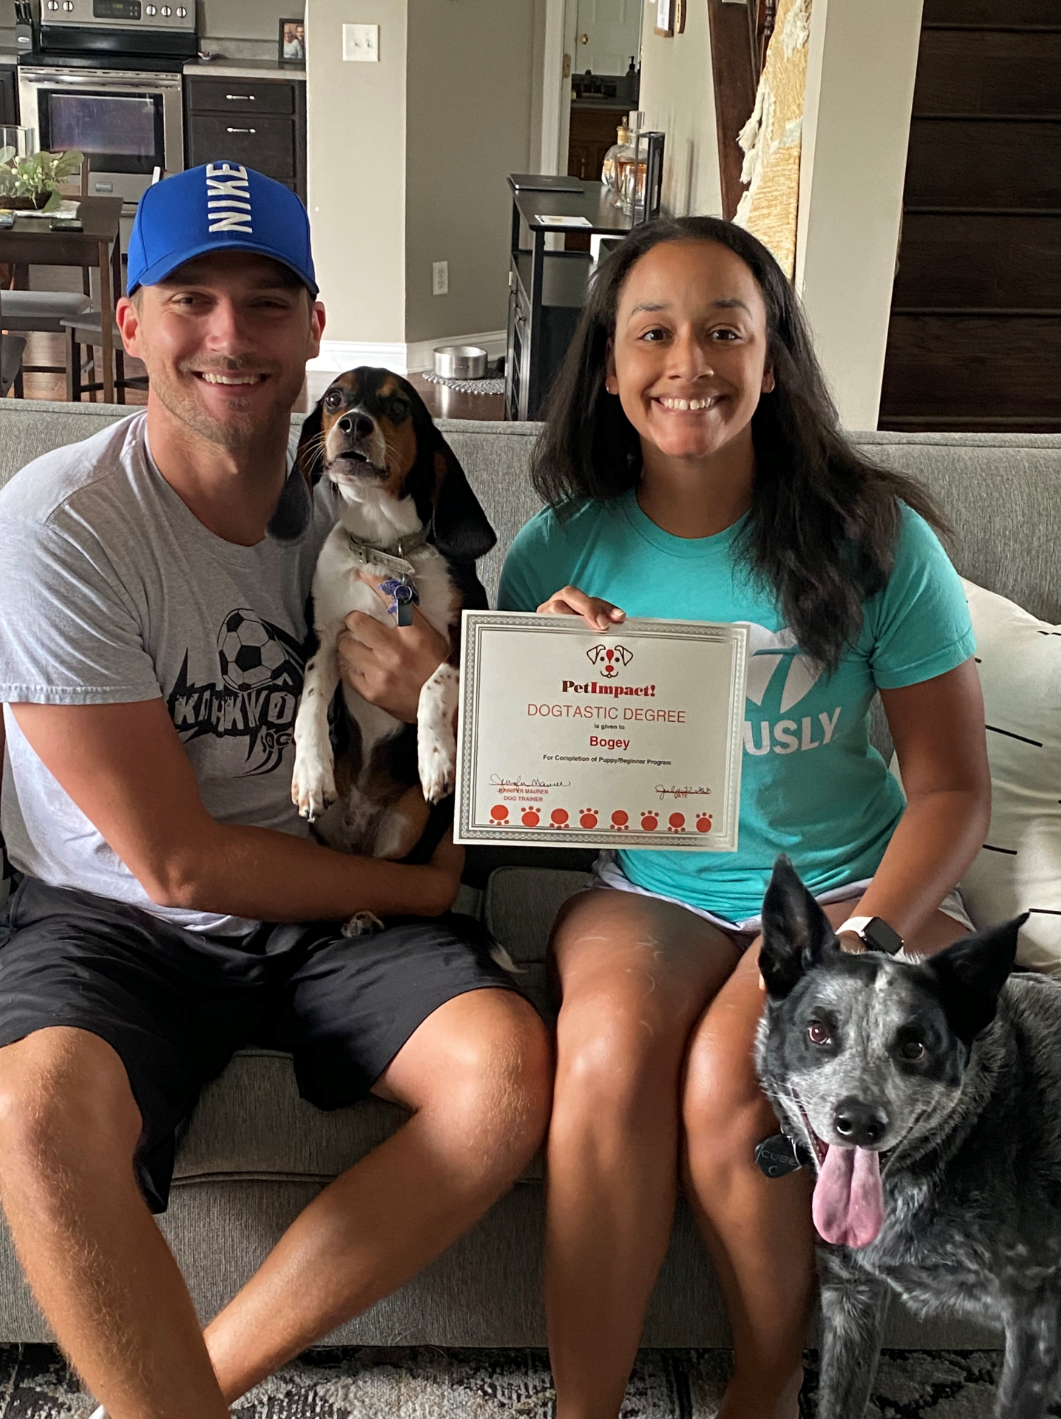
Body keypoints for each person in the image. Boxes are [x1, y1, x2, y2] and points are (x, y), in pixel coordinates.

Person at [0, 164, 551, 1419]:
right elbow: (179, 868)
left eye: (266, 302)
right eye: (190, 298)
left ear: (314, 326)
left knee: (505, 1078)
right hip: (117, 918)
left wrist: (447, 696)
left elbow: (509, 738)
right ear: (129, 323)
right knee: (31, 1114)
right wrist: (423, 888)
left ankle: (187, 1392)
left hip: (320, 921)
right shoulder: (60, 529)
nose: (228, 337)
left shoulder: (363, 526)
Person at [496, 217, 990, 1419]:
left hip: (843, 889)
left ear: (773, 362)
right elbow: (524, 811)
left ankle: (763, 1387)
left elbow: (952, 789)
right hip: (654, 889)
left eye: (726, 330)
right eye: (651, 333)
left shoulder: (877, 539)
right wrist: (544, 689)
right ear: (607, 368)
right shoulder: (556, 549)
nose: (689, 362)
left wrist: (872, 930)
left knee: (737, 1075)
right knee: (603, 1064)